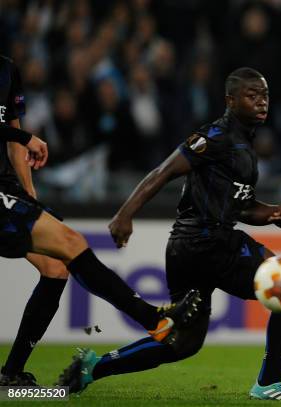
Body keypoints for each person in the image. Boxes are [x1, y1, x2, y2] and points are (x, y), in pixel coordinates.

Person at [56, 67, 281, 400]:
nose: (262, 102)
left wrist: (272, 213)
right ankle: (268, 384)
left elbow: (240, 207)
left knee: (183, 343)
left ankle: (93, 368)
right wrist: (123, 215)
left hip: (192, 247)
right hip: (205, 243)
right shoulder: (215, 137)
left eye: (264, 95)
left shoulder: (243, 141)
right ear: (230, 100)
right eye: (252, 95)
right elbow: (163, 171)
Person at [0, 55, 202, 388]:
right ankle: (154, 320)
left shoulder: (7, 69)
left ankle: (11, 374)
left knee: (56, 266)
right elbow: (19, 138)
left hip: (5, 188)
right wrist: (26, 140)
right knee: (71, 243)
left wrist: (30, 198)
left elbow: (12, 139)